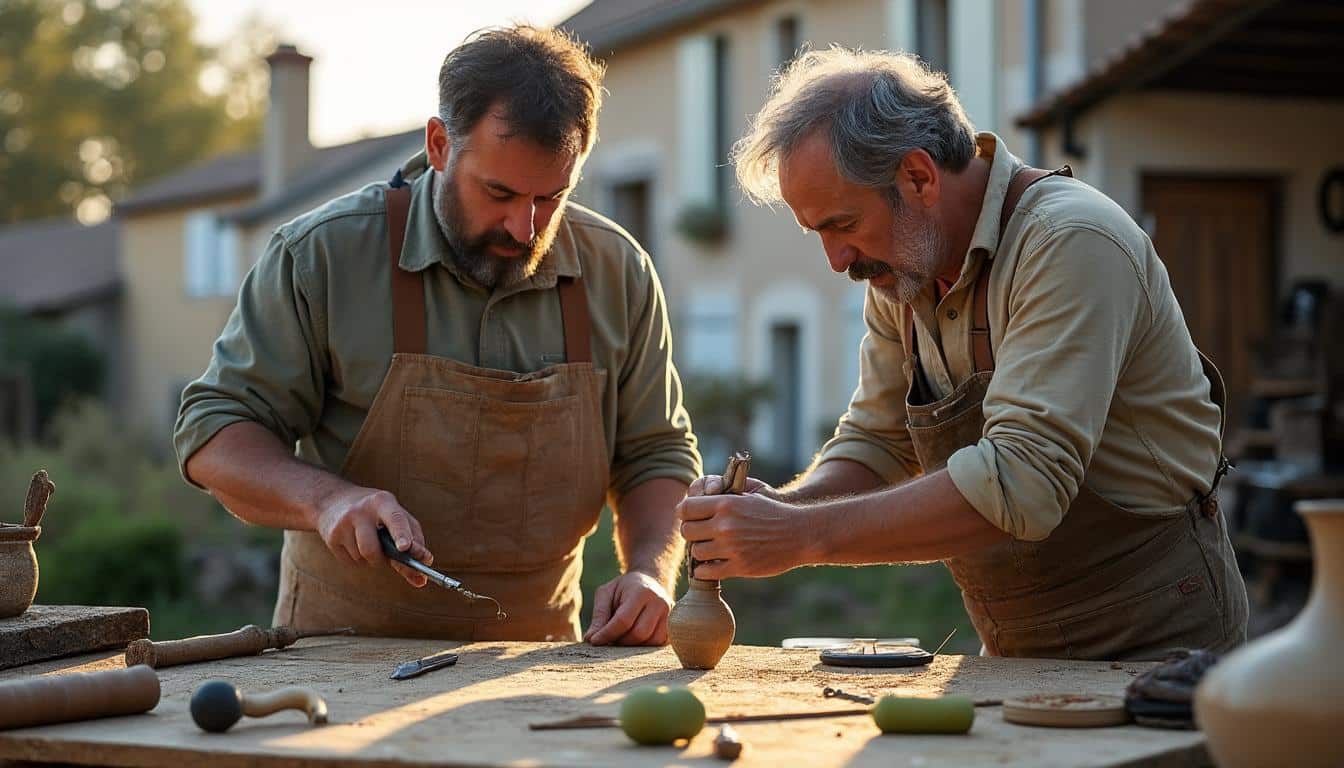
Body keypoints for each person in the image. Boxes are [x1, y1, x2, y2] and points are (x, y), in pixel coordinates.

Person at [677, 48, 1248, 661]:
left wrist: (800, 535)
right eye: (818, 232)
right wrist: (776, 510)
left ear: (918, 178)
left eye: (842, 224)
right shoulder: (903, 270)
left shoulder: (1069, 243)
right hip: (1014, 646)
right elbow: (877, 442)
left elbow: (1023, 483)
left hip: (1157, 640)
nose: (837, 260)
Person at [175, 26, 700, 645]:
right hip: (336, 657)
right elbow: (214, 432)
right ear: (439, 144)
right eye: (499, 193)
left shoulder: (620, 271)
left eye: (551, 197)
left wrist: (649, 573)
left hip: (535, 659)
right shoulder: (322, 256)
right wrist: (326, 500)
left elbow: (656, 455)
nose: (525, 227)